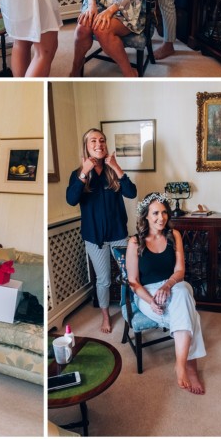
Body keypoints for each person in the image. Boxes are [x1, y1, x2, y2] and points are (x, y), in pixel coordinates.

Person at [126, 192, 206, 394]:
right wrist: (151, 300)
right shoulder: (135, 242)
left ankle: (180, 364)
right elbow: (133, 282)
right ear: (145, 216)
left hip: (173, 285)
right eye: (155, 213)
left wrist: (167, 285)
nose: (160, 218)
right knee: (190, 315)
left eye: (164, 213)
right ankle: (190, 368)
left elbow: (180, 271)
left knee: (183, 291)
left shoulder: (174, 235)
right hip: (147, 292)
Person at [66, 128, 137, 333]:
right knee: (104, 280)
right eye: (93, 141)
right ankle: (106, 316)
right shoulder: (78, 174)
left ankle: (131, 309)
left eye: (102, 140)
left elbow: (131, 193)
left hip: (118, 235)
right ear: (86, 146)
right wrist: (83, 173)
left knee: (131, 275)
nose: (99, 144)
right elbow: (71, 200)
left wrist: (116, 166)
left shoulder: (112, 171)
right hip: (94, 237)